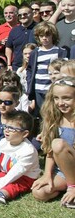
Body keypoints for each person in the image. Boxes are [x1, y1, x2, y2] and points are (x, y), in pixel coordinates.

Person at [31, 77, 75, 208]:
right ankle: (69, 186)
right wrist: (47, 175)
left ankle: (72, 188)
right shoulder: (54, 119)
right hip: (64, 171)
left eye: (66, 98)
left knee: (59, 144)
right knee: (39, 192)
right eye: (56, 98)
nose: (60, 103)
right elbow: (50, 152)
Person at [26, 21, 68, 116]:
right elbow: (29, 69)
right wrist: (30, 83)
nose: (44, 38)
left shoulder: (60, 52)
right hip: (39, 88)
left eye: (47, 35)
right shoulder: (35, 52)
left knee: (55, 112)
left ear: (52, 35)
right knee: (42, 113)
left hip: (53, 88)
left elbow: (65, 70)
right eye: (41, 36)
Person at [5, 4, 36, 70]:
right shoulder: (14, 30)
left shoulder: (38, 28)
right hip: (17, 66)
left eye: (25, 14)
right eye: (20, 15)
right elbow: (8, 47)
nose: (22, 16)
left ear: (32, 14)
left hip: (35, 64)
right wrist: (9, 64)